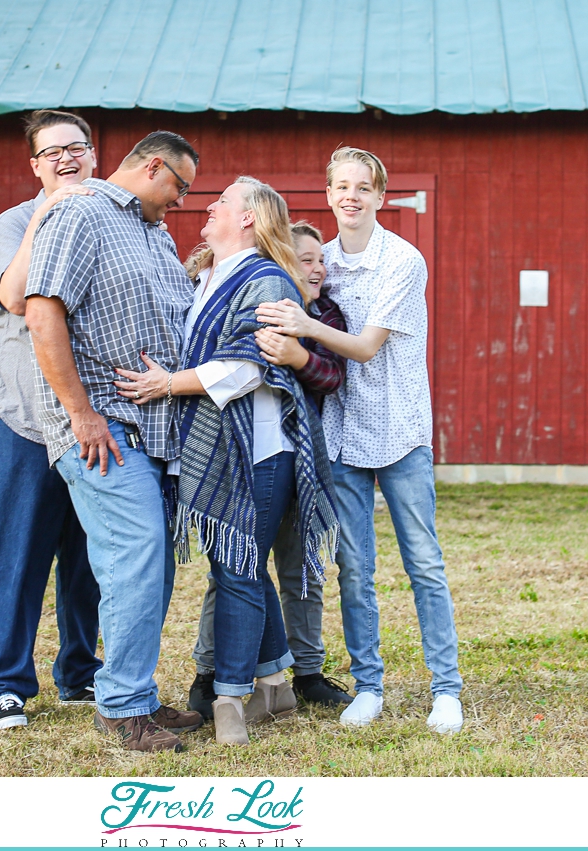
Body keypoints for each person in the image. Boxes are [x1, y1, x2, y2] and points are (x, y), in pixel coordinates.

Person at [114, 179, 339, 748]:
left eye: (220, 202)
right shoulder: (207, 277)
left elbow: (248, 368)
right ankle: (274, 680)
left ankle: (231, 699)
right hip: (218, 450)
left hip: (260, 451)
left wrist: (169, 384)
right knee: (239, 566)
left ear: (247, 219)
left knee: (236, 569)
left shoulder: (264, 278)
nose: (208, 207)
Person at [256, 147, 464, 735]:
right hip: (341, 434)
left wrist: (302, 326)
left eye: (363, 187)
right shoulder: (321, 262)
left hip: (398, 430)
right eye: (341, 186)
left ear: (379, 196)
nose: (351, 195)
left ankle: (445, 689)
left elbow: (367, 345)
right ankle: (368, 685)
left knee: (423, 560)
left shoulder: (403, 260)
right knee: (353, 566)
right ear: (328, 194)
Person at [24, 131, 204, 754]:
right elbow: (42, 310)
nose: (182, 201)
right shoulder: (83, 212)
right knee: (136, 553)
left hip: (154, 429)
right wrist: (81, 413)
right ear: (152, 166)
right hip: (102, 427)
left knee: (148, 567)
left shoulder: (154, 232)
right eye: (179, 185)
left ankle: (138, 693)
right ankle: (123, 707)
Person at [187, 219, 353, 718]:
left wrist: (299, 352)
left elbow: (330, 376)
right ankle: (213, 670)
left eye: (322, 260)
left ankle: (302, 673)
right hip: (252, 449)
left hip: (302, 456)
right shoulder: (259, 299)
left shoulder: (324, 314)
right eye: (306, 260)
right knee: (235, 564)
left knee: (298, 570)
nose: (318, 268)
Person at [0, 110, 102, 730]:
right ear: (34, 165)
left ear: (93, 154)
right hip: (26, 413)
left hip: (93, 417)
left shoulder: (112, 215)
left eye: (75, 148)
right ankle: (6, 683)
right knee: (22, 550)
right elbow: (11, 294)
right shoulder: (12, 223)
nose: (65, 159)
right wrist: (50, 210)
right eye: (51, 153)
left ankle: (80, 673)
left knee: (87, 555)